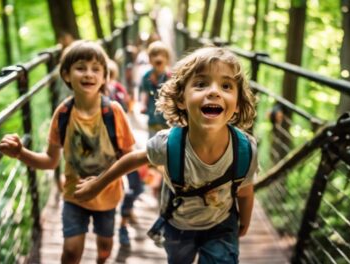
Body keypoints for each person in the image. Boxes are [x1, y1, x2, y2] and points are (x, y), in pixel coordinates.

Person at [74, 46, 258, 264]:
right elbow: (133, 158)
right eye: (201, 84)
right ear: (181, 99)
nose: (214, 91)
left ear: (237, 104)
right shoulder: (167, 144)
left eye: (226, 86)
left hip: (222, 225)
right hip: (178, 225)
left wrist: (244, 220)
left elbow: (245, 192)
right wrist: (97, 184)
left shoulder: (245, 150)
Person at [0, 40, 135, 264]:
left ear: (104, 77)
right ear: (66, 74)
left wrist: (104, 180)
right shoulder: (62, 114)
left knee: (105, 249)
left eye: (96, 69)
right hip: (74, 196)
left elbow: (130, 157)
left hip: (108, 196)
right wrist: (21, 153)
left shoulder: (113, 112)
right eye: (81, 67)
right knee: (71, 252)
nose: (88, 74)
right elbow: (50, 161)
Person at [107, 59, 145, 246]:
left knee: (135, 187)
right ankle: (121, 224)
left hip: (125, 149)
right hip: (111, 156)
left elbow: (128, 108)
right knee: (132, 187)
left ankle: (123, 220)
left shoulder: (116, 93)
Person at [139, 40, 172, 199]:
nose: (158, 58)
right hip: (152, 118)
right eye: (154, 55)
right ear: (149, 58)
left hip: (168, 119)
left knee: (168, 148)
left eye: (161, 55)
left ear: (167, 58)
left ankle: (165, 178)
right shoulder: (146, 77)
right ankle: (155, 180)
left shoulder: (170, 77)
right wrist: (143, 104)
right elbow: (144, 92)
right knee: (152, 149)